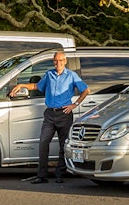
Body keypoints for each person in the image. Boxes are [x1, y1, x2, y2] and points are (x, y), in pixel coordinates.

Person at [9, 51, 89, 184]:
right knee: (43, 143)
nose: (58, 63)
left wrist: (75, 104)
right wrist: (21, 85)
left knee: (63, 145)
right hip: (50, 113)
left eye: (60, 61)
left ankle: (60, 174)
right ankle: (42, 175)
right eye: (55, 61)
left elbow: (86, 90)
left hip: (64, 113)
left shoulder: (71, 75)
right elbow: (37, 86)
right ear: (53, 61)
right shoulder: (49, 74)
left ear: (65, 61)